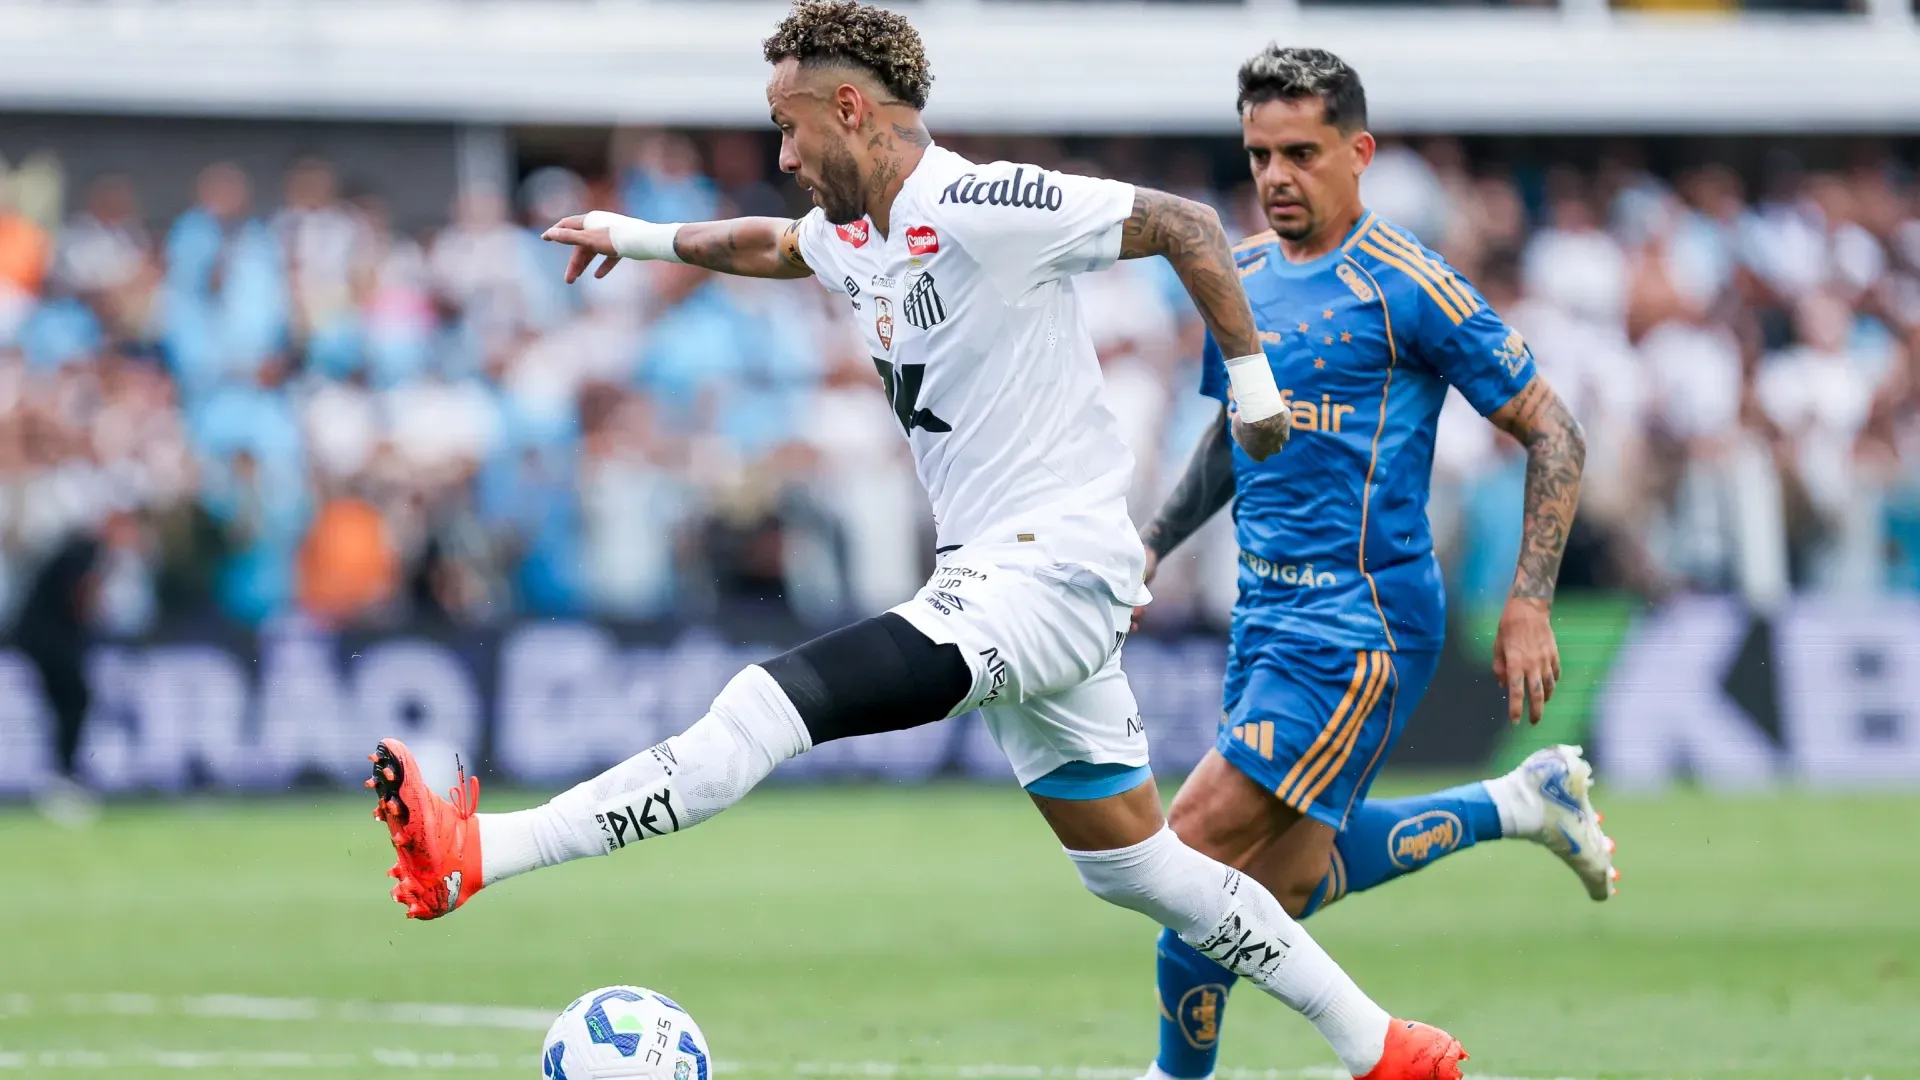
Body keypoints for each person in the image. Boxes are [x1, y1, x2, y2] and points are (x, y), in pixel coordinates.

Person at [368, 4, 1465, 1077]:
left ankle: (483, 852)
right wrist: (638, 238)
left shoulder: (985, 201)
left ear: (851, 108)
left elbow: (1181, 223)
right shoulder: (853, 232)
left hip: (1046, 569)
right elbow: (769, 246)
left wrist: (1253, 386)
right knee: (1138, 867)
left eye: (789, 126)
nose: (784, 152)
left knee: (763, 706)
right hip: (1010, 574)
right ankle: (1383, 1048)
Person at [1131, 48, 1616, 1080]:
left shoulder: (1408, 286)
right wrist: (1153, 542)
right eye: (1260, 154)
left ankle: (1179, 1077)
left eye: (1301, 153)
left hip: (1359, 626)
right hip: (1264, 618)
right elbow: (1236, 433)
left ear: (1360, 153)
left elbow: (1556, 431)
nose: (1276, 176)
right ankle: (1519, 803)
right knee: (1281, 891)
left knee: (1186, 857)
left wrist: (1529, 602)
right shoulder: (1242, 275)